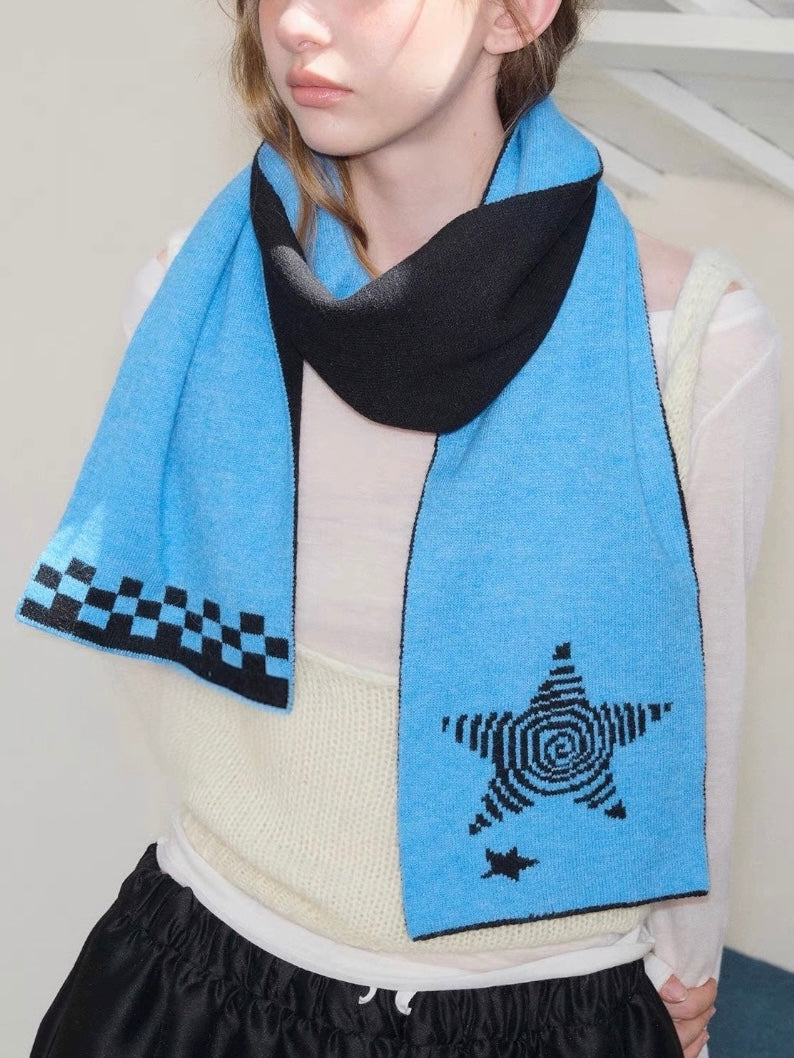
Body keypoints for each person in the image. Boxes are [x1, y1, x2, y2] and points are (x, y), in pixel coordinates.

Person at [16, 0, 780, 1055]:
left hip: (541, 1012)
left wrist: (687, 964)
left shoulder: (687, 339)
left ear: (515, 13)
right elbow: (187, 692)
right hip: (195, 979)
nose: (295, 21)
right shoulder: (187, 302)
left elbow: (702, 701)